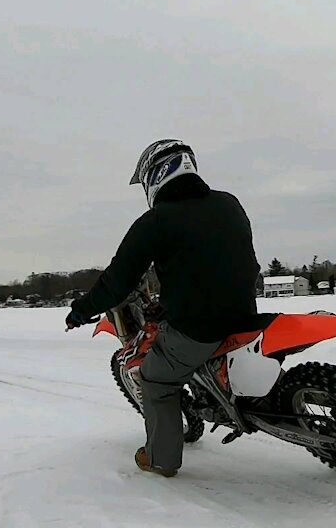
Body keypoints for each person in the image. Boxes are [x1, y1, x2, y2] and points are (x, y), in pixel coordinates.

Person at [65, 139, 260, 477]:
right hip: (247, 317)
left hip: (199, 329)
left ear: (156, 175)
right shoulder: (229, 203)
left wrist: (81, 310)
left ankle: (160, 459)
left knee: (155, 382)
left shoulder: (156, 221)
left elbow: (116, 281)